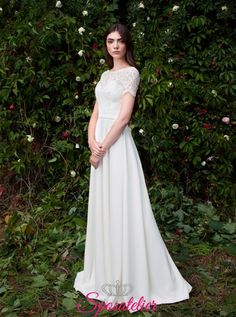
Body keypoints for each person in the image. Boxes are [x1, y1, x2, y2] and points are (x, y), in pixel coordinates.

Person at [74, 23, 192, 314]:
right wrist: (91, 141)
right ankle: (103, 273)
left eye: (120, 41)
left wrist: (102, 148)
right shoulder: (104, 75)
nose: (115, 46)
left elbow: (124, 117)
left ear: (127, 45)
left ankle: (130, 276)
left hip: (117, 149)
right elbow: (97, 111)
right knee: (105, 209)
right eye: (110, 41)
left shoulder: (131, 74)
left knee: (122, 207)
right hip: (99, 146)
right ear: (106, 45)